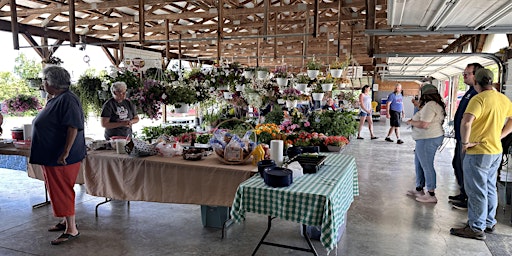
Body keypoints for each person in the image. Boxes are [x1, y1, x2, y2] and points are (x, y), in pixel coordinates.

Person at [450, 68, 512, 240]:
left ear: (476, 82)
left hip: (478, 151)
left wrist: (464, 142)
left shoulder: (479, 99)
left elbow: (466, 121)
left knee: (476, 190)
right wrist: (500, 135)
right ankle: (488, 222)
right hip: (495, 151)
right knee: (490, 187)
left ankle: (476, 227)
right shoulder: (503, 99)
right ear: (491, 81)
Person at [29, 66, 86, 245]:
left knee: (62, 189)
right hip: (51, 154)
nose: (42, 84)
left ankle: (72, 229)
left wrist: (66, 152)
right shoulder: (56, 98)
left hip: (61, 156)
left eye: (44, 80)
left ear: (52, 82)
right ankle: (65, 221)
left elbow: (73, 127)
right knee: (56, 189)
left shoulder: (68, 100)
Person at [450, 63, 483, 210]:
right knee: (457, 164)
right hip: (461, 138)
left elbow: (469, 120)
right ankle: (463, 192)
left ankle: (468, 198)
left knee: (466, 168)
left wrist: (466, 140)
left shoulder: (478, 94)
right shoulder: (470, 91)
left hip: (468, 140)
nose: (464, 76)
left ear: (476, 75)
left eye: (467, 74)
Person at [405, 85, 446, 203]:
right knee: (419, 163)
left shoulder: (430, 105)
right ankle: (419, 188)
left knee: (427, 165)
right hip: (425, 138)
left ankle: (431, 193)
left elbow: (424, 124)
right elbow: (424, 111)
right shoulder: (433, 104)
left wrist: (411, 122)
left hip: (428, 138)